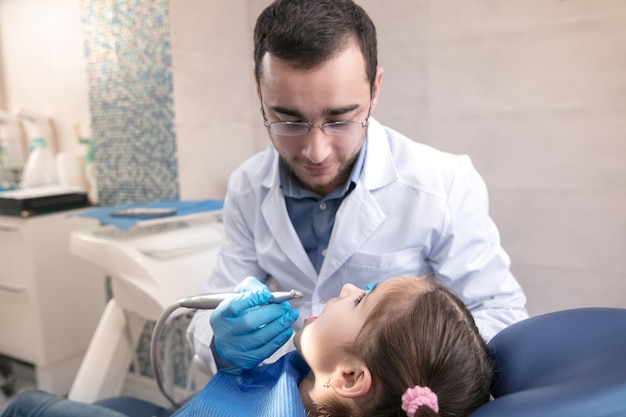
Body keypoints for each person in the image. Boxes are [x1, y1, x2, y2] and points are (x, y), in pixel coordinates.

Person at [189, 0, 528, 372]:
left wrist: (396, 367)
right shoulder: (247, 186)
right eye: (288, 121)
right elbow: (207, 320)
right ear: (259, 90)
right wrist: (223, 346)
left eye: (340, 119)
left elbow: (502, 316)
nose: (316, 152)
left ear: (375, 88)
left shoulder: (443, 184)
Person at [1, 276, 492, 417]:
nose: (345, 288)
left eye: (362, 299)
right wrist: (225, 355)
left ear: (349, 378)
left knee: (24, 403)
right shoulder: (308, 377)